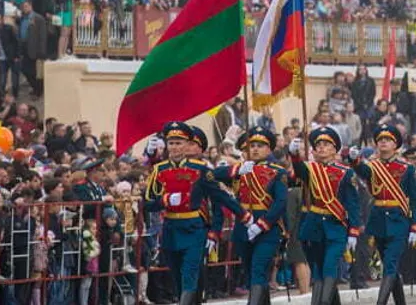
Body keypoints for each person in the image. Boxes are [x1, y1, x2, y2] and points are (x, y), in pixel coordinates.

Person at [144, 122, 245, 305]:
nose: (175, 147)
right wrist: (165, 200)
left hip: (194, 228)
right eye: (171, 143)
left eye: (179, 143)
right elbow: (148, 203)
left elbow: (220, 196)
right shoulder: (160, 169)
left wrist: (244, 216)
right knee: (177, 278)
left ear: (187, 145)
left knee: (190, 274)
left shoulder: (200, 169)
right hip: (170, 229)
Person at [352, 125, 416, 305]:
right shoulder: (372, 166)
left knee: (391, 264)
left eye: (387, 140)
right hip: (378, 220)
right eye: (380, 140)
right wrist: (354, 160)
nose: (383, 142)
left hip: (398, 220)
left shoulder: (406, 169)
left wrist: (415, 226)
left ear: (395, 145)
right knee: (389, 266)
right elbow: (362, 171)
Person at [288, 125, 360, 305]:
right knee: (318, 269)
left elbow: (352, 204)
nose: (321, 147)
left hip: (335, 226)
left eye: (326, 144)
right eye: (318, 145)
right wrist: (294, 155)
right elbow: (299, 170)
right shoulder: (310, 169)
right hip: (314, 226)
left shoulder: (345, 173)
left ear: (335, 150)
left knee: (329, 266)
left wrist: (354, 230)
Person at [226, 126, 287, 305]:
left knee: (258, 268)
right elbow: (213, 176)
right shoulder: (240, 170)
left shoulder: (277, 171)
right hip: (243, 228)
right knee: (251, 272)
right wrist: (238, 170)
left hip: (268, 230)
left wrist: (262, 224)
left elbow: (281, 202)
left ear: (269, 149)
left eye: (260, 146)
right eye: (252, 146)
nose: (255, 149)